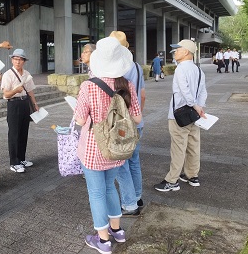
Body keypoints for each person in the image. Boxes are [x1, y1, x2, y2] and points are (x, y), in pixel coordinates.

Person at [74, 37, 142, 254]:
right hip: (117, 148)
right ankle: (117, 231)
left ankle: (103, 241)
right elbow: (138, 119)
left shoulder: (88, 86)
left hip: (94, 148)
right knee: (110, 187)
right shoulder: (126, 84)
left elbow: (80, 121)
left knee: (96, 193)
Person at [154, 40, 207, 192]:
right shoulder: (198, 70)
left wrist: (194, 104)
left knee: (178, 147)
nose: (174, 52)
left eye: (177, 49)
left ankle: (172, 180)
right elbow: (203, 91)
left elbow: (184, 90)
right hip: (194, 115)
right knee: (193, 145)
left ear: (186, 52)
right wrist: (199, 107)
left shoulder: (180, 69)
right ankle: (192, 175)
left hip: (179, 114)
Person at [110, 31, 146, 217]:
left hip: (123, 126)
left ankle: (130, 204)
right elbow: (143, 95)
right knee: (134, 162)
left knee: (121, 164)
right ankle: (137, 196)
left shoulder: (118, 69)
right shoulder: (137, 66)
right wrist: (137, 114)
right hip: (138, 123)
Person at [1, 48, 38, 173]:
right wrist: (15, 91)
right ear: (12, 60)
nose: (18, 62)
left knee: (23, 132)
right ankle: (14, 162)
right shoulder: (8, 75)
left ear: (24, 61)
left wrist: (35, 104)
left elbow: (31, 90)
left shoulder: (26, 74)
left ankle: (21, 159)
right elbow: (6, 94)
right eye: (15, 59)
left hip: (24, 103)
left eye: (20, 59)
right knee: (14, 134)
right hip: (13, 104)